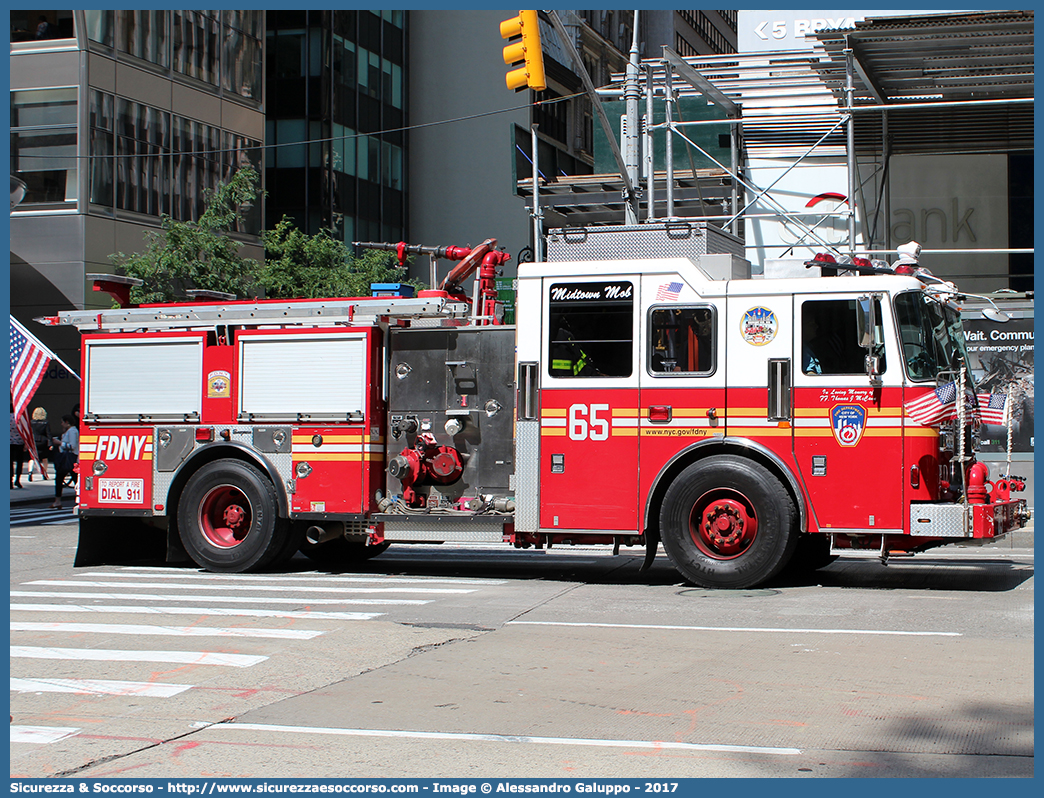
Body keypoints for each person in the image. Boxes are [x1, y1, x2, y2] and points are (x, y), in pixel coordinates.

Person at [51, 414, 78, 509]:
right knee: (67, 479)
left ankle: (58, 501)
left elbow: (72, 446)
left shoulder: (72, 431)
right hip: (69, 458)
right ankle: (57, 501)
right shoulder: (69, 431)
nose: (61, 424)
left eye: (62, 422)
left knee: (66, 479)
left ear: (67, 422)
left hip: (69, 458)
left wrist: (59, 443)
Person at [30, 407, 52, 481]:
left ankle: (30, 472)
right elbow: (48, 434)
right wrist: (50, 444)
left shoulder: (31, 422)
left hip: (34, 441)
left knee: (33, 458)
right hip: (43, 442)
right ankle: (44, 473)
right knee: (44, 458)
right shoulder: (45, 423)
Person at [10, 403, 26, 488]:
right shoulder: (20, 418)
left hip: (9, 442)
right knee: (19, 461)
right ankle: (18, 479)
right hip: (19, 442)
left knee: (10, 462)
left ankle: (10, 480)